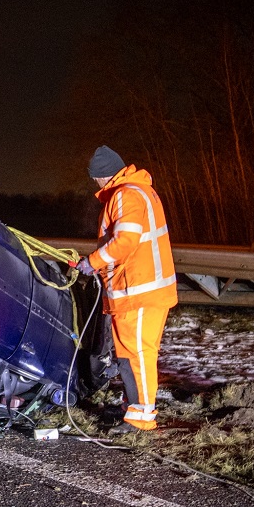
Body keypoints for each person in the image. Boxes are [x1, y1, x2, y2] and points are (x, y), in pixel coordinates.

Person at [76, 145, 178, 434]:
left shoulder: (125, 194)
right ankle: (133, 406)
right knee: (128, 355)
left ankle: (142, 418)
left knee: (138, 355)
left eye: (94, 179)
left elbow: (125, 242)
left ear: (101, 177)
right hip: (135, 290)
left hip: (140, 291)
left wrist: (93, 263)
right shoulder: (137, 191)